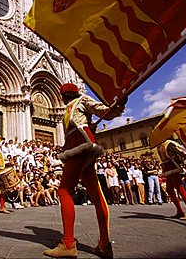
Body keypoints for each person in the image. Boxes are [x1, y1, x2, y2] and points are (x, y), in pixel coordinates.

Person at [44, 83, 125, 259]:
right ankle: (104, 245)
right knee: (96, 195)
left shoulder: (82, 100)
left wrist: (118, 105)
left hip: (80, 145)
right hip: (81, 144)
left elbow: (105, 112)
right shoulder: (69, 107)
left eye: (62, 95)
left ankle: (67, 244)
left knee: (64, 190)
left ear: (64, 95)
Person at [158, 139, 186, 220]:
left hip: (173, 167)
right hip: (168, 168)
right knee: (169, 190)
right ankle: (180, 211)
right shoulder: (161, 146)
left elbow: (180, 152)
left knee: (180, 189)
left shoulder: (169, 144)